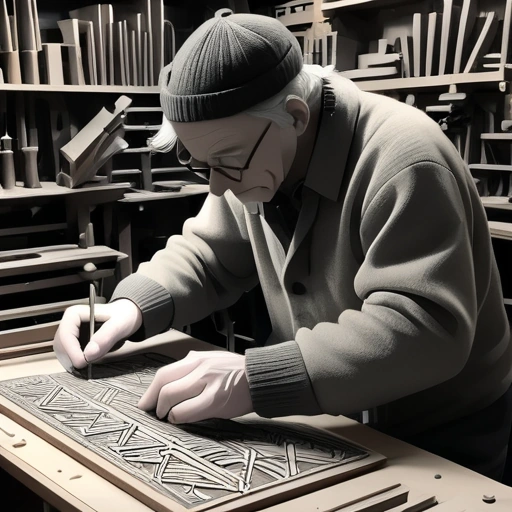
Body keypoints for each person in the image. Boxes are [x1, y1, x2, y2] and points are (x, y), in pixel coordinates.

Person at [53, 11, 512, 480]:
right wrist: (132, 307)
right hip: (335, 418)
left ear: (295, 114)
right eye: (200, 163)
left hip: (436, 431)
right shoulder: (250, 159)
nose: (216, 187)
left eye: (226, 163)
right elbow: (209, 255)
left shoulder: (405, 158)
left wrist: (257, 377)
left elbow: (425, 329)